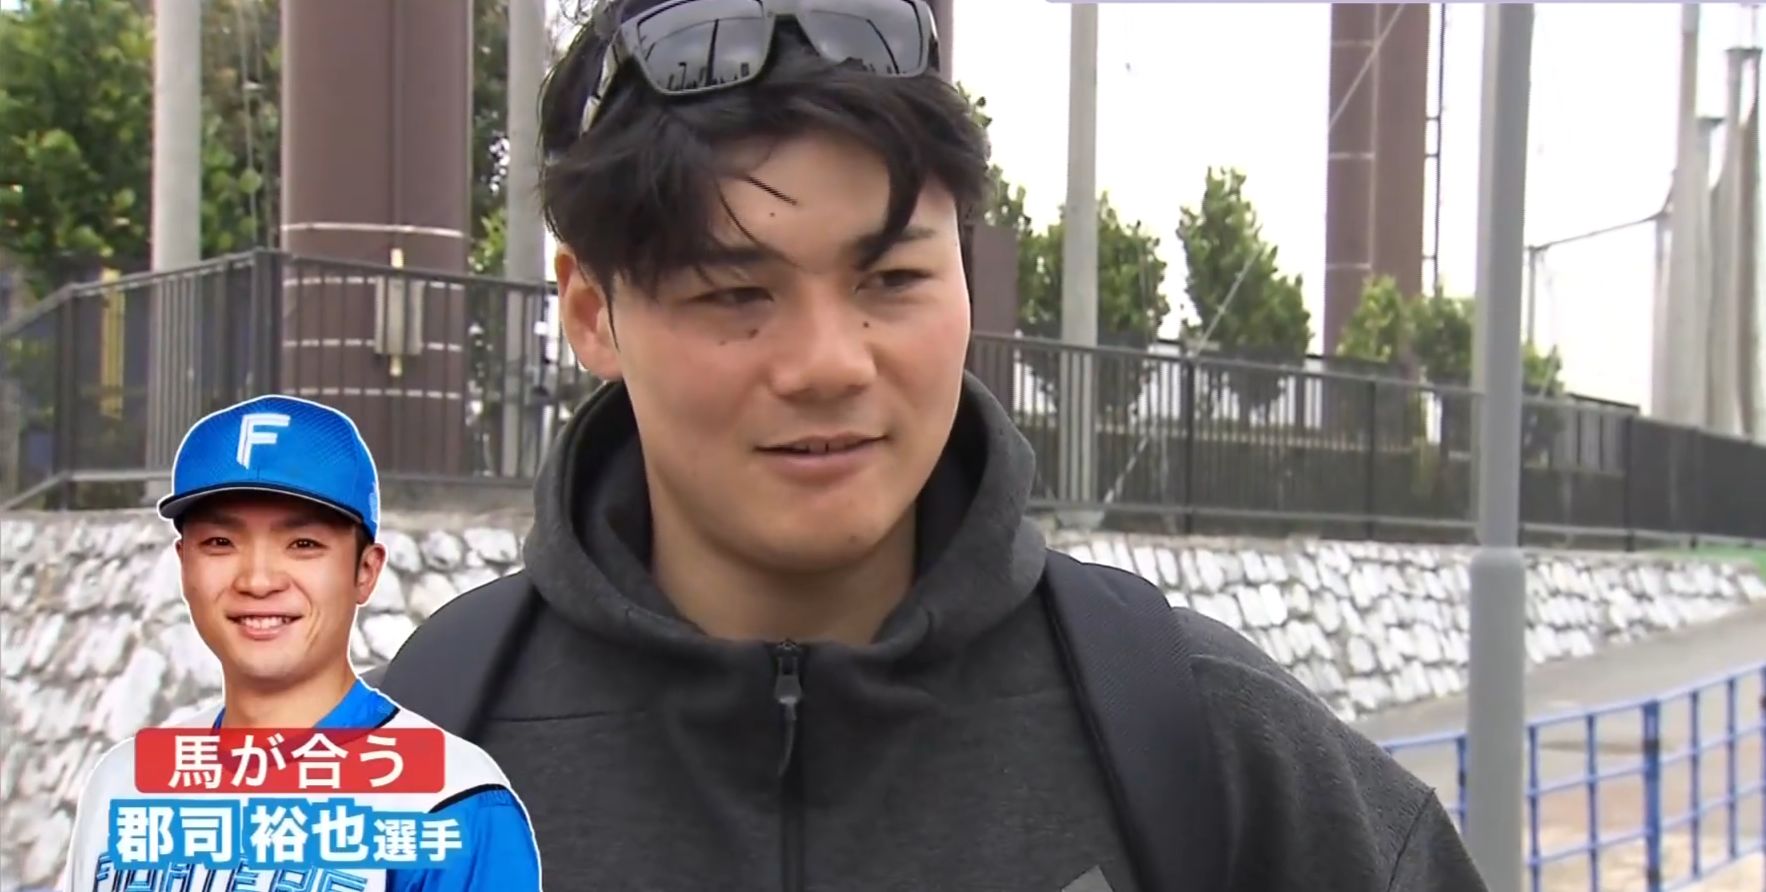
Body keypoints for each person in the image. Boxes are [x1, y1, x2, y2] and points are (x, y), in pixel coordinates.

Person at [378, 0, 1490, 889]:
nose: (829, 363)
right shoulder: (400, 775)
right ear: (590, 313)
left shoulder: (1207, 745)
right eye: (733, 292)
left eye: (892, 278)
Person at [62, 395, 542, 892]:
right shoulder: (125, 785)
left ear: (365, 571)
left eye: (303, 544)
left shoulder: (450, 801)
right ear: (184, 565)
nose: (258, 580)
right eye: (220, 543)